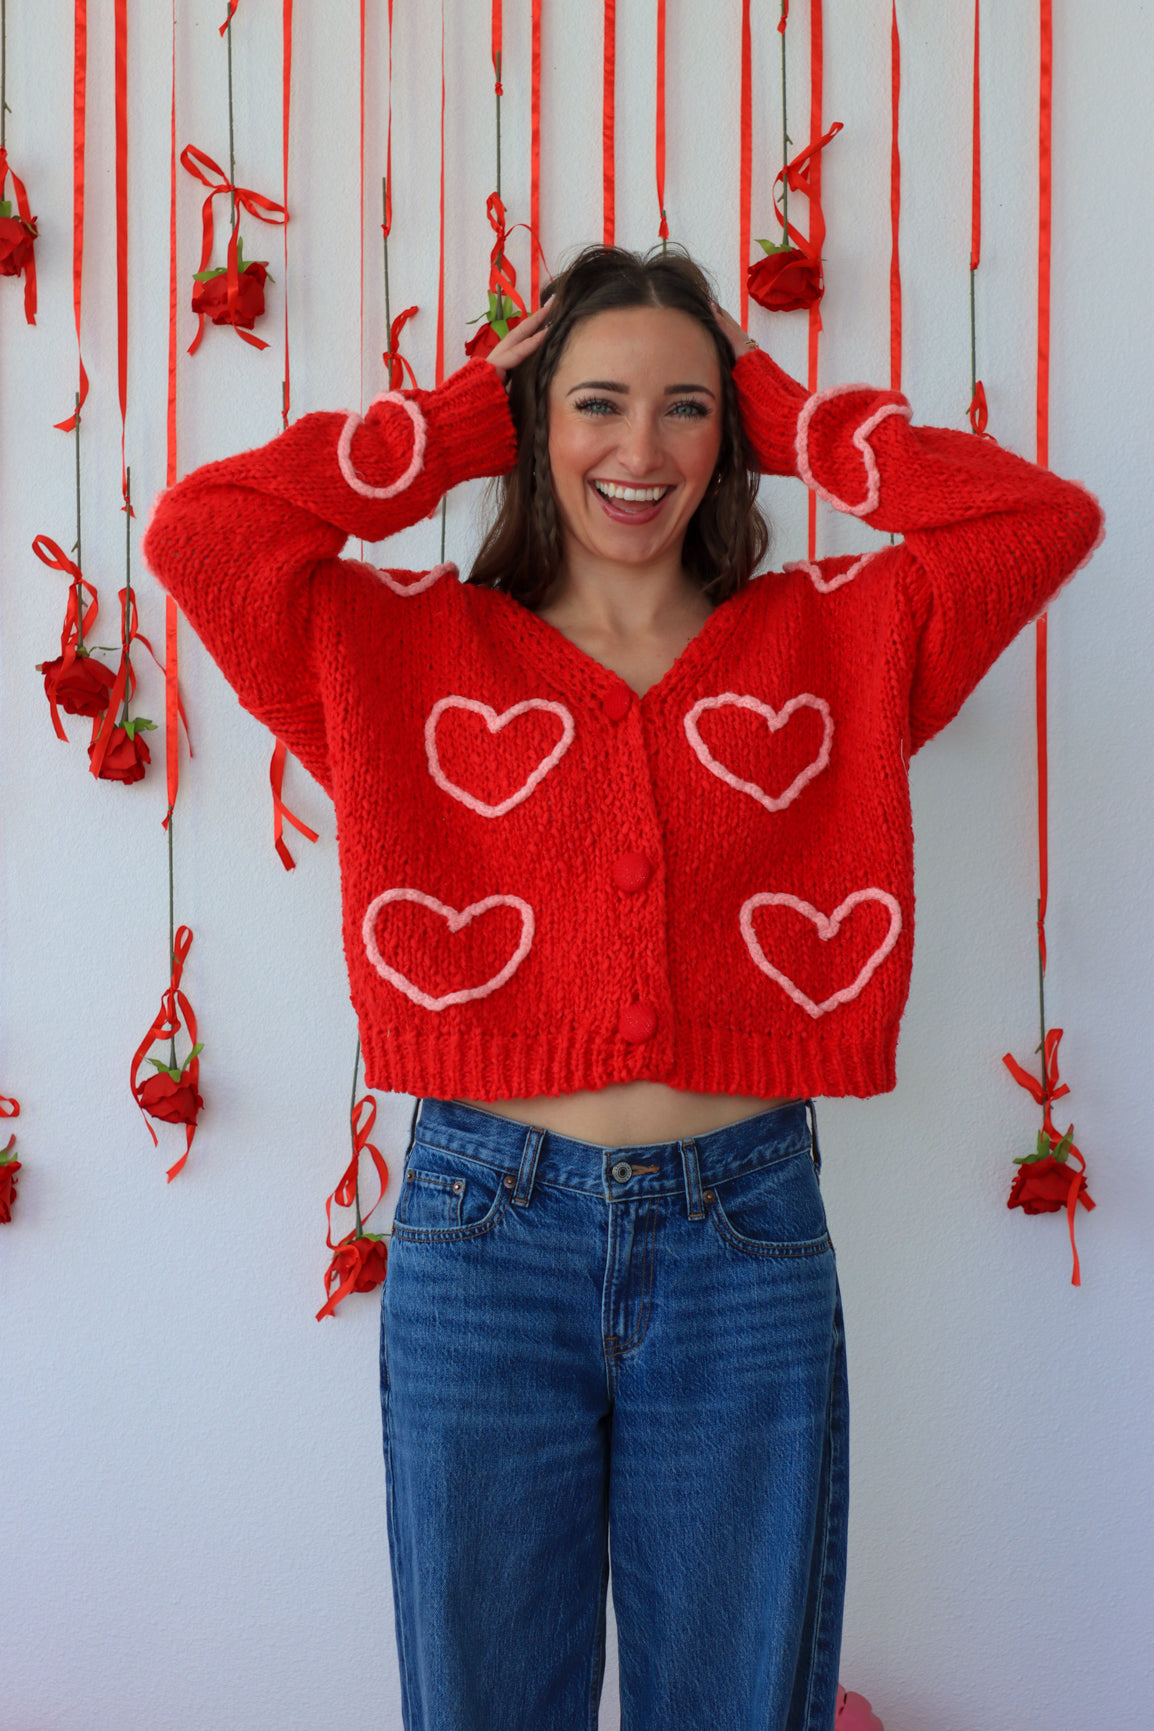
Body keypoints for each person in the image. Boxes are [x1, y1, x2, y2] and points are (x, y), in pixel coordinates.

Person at [142, 244, 1102, 1731]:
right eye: (593, 405)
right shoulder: (393, 647)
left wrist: (788, 408)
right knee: (483, 1701)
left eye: (685, 410)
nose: (639, 450)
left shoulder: (840, 634)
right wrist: (466, 413)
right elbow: (212, 532)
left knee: (734, 1697)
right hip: (482, 1228)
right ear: (536, 427)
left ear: (730, 435)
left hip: (745, 1232)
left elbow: (1035, 520)